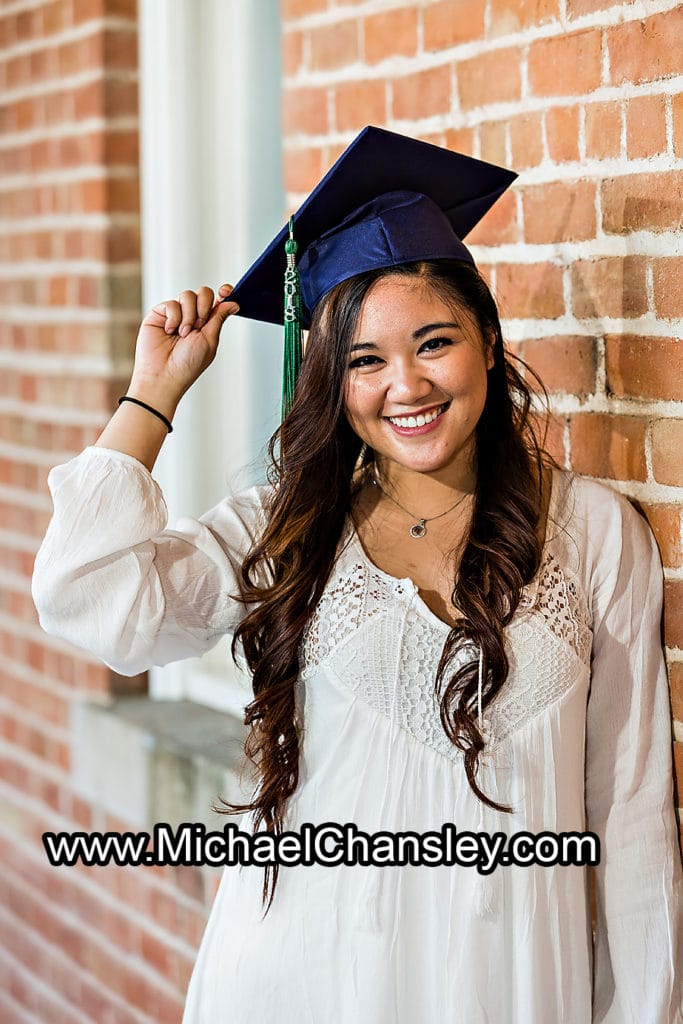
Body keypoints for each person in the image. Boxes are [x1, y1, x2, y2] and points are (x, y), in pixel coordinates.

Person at [32, 127, 682, 1023]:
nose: (404, 385)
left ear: (488, 343)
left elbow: (633, 815)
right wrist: (153, 395)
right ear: (333, 380)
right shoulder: (285, 528)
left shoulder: (593, 536)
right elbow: (89, 601)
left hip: (511, 988)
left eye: (433, 342)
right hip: (299, 981)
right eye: (364, 361)